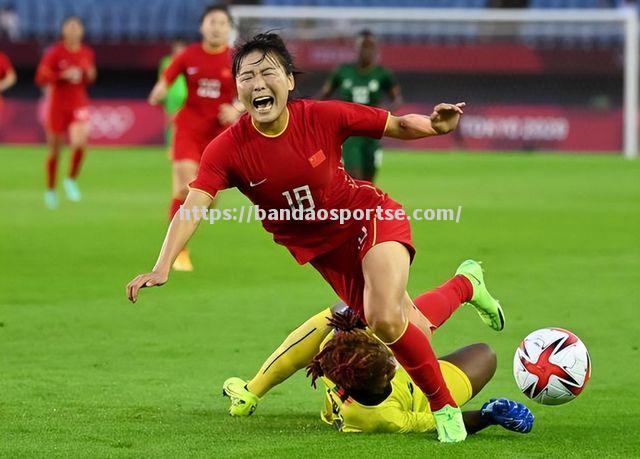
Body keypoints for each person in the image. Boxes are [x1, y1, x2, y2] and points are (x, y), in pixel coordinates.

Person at [126, 32, 504, 443]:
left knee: (384, 317)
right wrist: (162, 265)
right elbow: (193, 204)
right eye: (246, 76)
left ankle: (445, 408)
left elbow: (394, 124)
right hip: (329, 256)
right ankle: (467, 283)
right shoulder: (227, 149)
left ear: (288, 81)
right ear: (237, 90)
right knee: (408, 327)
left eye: (267, 72)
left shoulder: (321, 116)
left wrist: (434, 126)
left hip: (370, 218)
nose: (257, 83)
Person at [227, 307, 532, 435]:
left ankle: (250, 392)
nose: (392, 365)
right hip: (423, 396)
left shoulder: (338, 360)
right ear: (371, 384)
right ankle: (464, 285)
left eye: (387, 359)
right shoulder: (380, 417)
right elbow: (440, 423)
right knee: (485, 354)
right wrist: (488, 415)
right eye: (388, 370)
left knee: (345, 310)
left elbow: (324, 333)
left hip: (363, 359)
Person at [147, 4, 241, 272]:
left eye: (222, 23)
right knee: (185, 189)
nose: (217, 27)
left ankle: (188, 226)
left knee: (207, 200)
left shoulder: (235, 60)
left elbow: (248, 96)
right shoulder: (188, 55)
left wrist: (236, 109)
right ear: (202, 26)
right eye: (212, 22)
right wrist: (158, 92)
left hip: (218, 137)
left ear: (228, 29)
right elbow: (165, 80)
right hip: (188, 129)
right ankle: (179, 251)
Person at [319, 30, 402, 182]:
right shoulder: (343, 71)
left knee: (369, 180)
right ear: (357, 48)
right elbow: (324, 95)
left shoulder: (383, 74)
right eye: (364, 47)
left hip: (373, 131)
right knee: (354, 176)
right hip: (349, 132)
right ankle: (353, 205)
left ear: (376, 50)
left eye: (371, 47)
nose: (367, 51)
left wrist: (383, 113)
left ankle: (366, 205)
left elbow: (396, 99)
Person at [35, 16, 96, 210]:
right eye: (69, 27)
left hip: (78, 103)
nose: (73, 30)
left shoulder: (86, 52)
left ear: (81, 31)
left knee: (80, 142)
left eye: (76, 27)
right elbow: (40, 77)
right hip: (57, 106)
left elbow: (90, 78)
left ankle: (70, 179)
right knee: (54, 150)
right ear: (63, 30)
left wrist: (88, 73)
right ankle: (51, 189)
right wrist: (62, 75)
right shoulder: (55, 53)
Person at [158, 38, 187, 157]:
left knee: (184, 123)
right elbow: (162, 79)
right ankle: (170, 147)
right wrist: (161, 94)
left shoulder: (188, 61)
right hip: (171, 95)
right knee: (171, 122)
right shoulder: (166, 61)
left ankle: (181, 147)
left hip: (186, 95)